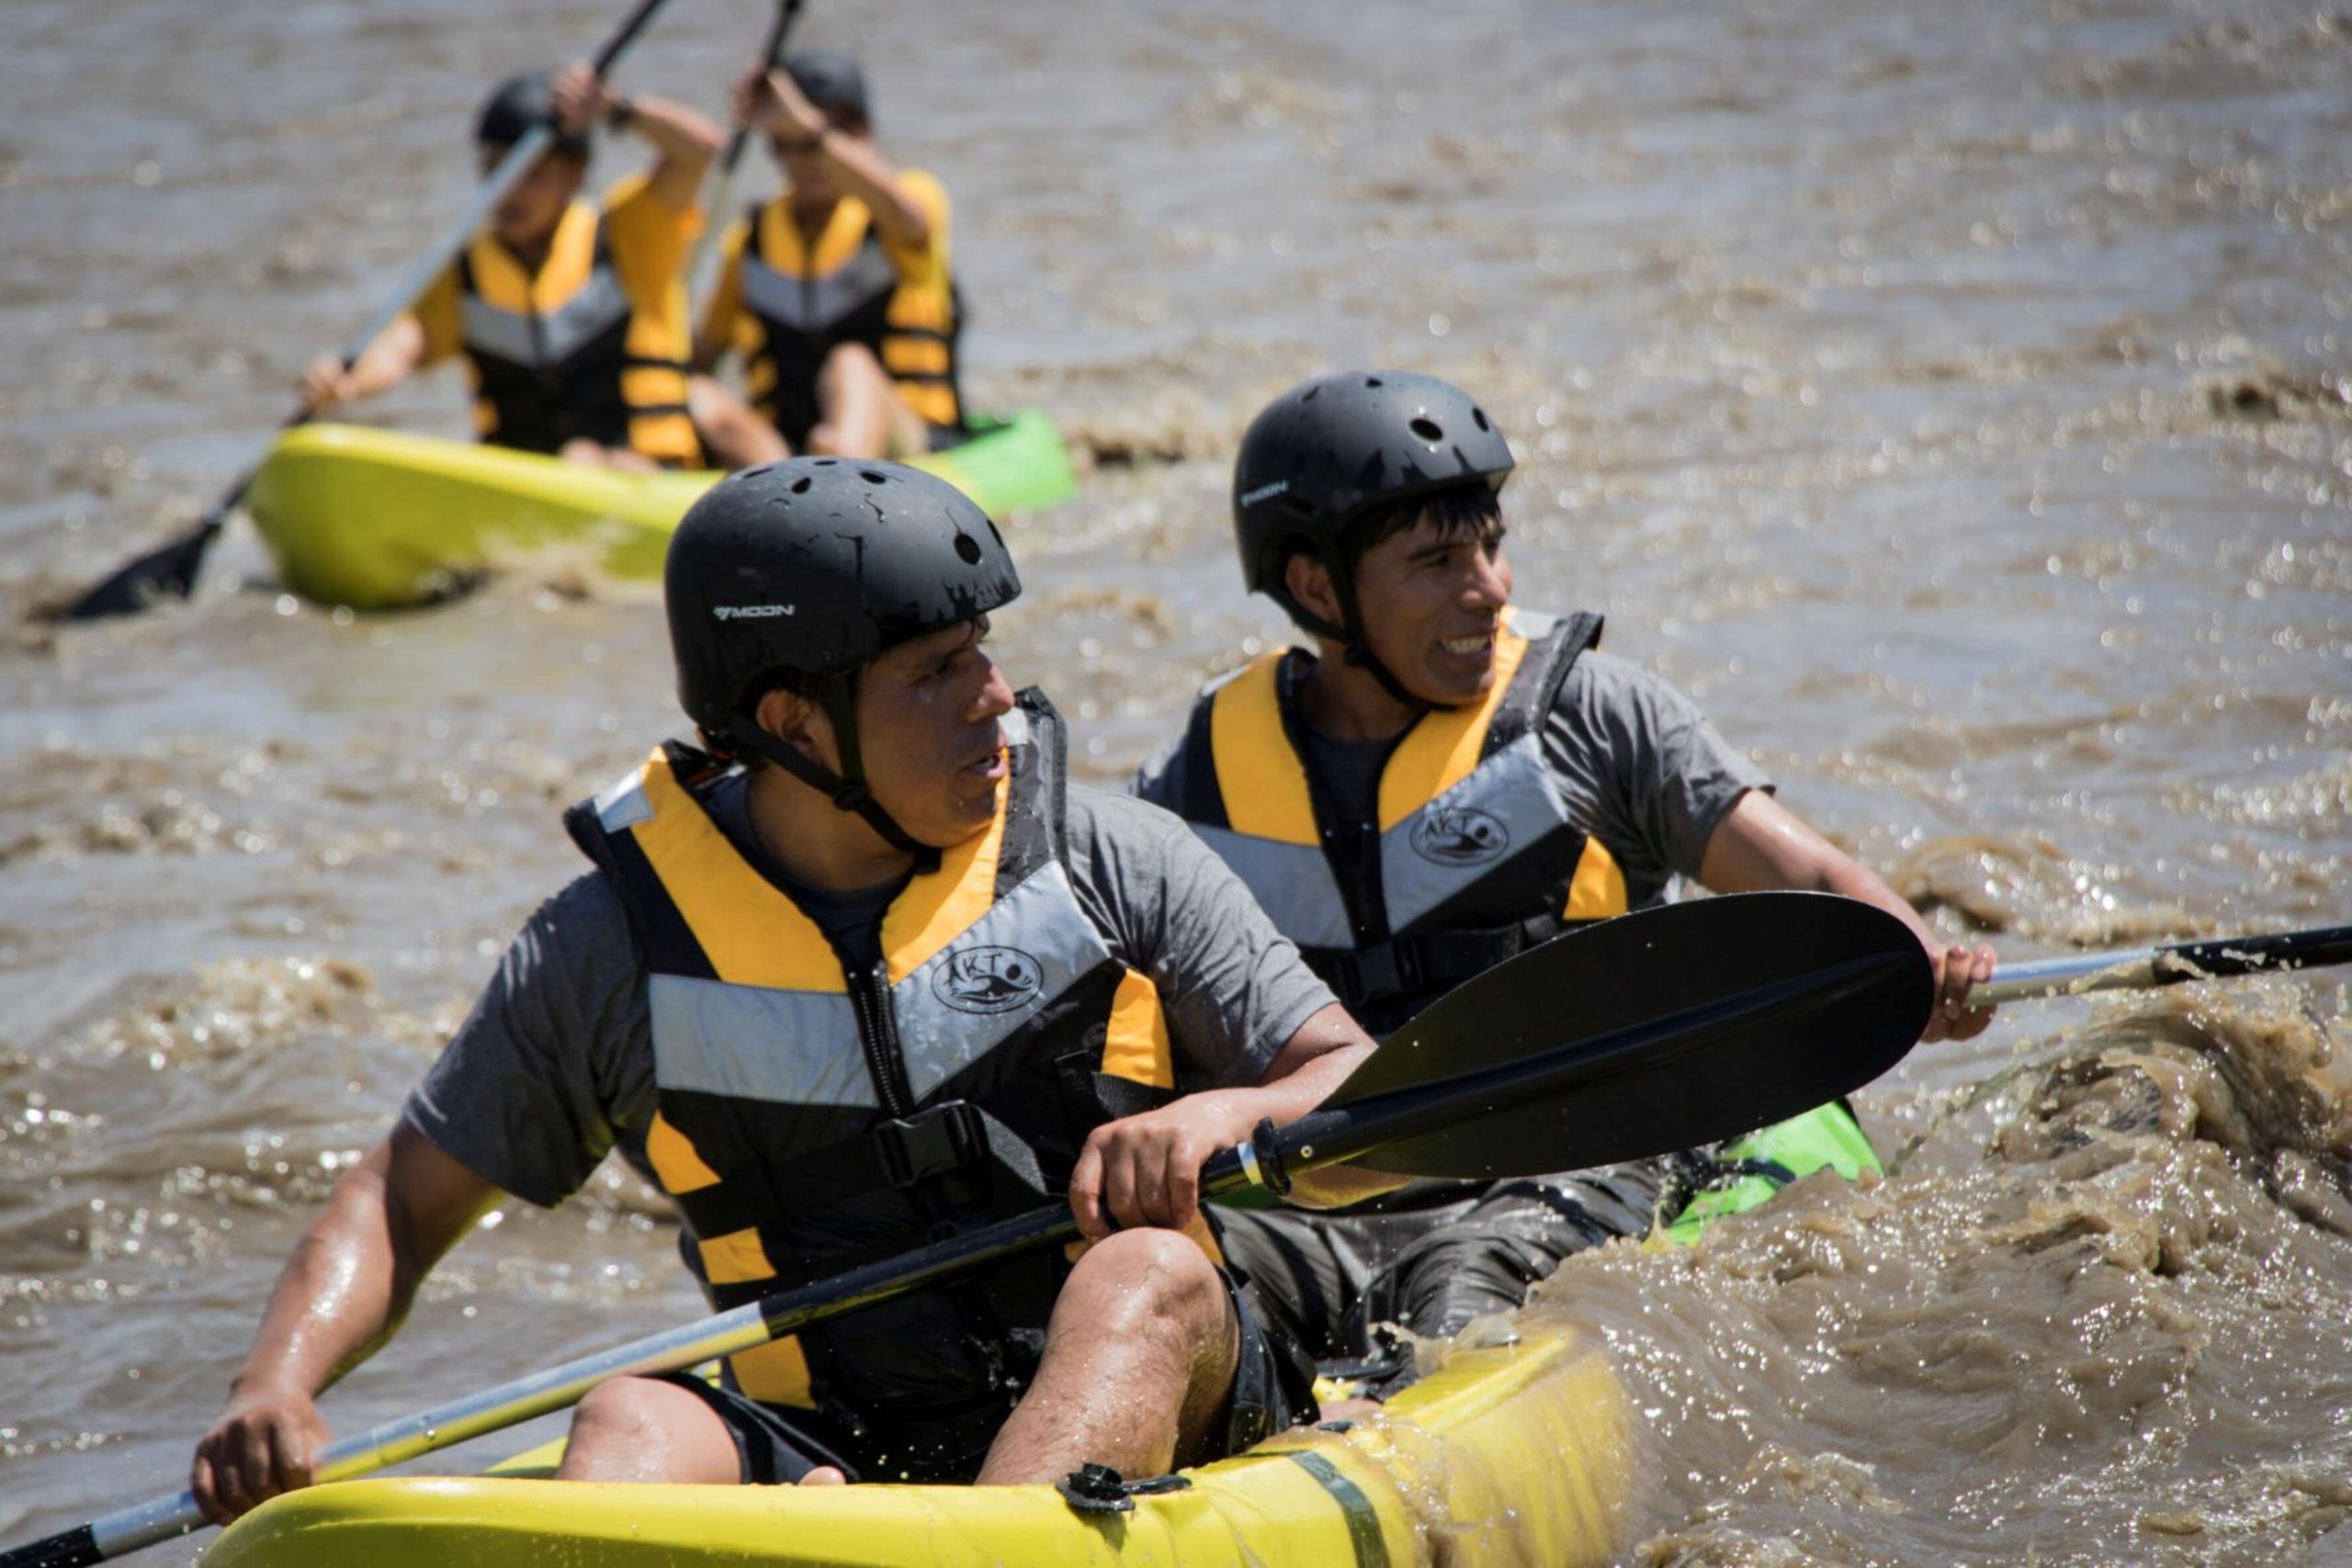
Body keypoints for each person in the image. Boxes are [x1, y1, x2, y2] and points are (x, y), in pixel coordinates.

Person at [188, 457, 1400, 1521]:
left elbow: (1352, 1075)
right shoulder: (608, 948)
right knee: (631, 1419)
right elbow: (400, 1201)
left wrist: (1214, 1114)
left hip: (1174, 1388)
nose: (994, 696)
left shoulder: (1111, 857)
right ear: (795, 722)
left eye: (983, 649)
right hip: (842, 1443)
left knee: (1143, 1275)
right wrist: (275, 1383)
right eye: (938, 668)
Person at [1134, 369, 1996, 1371]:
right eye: (1437, 561)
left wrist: (1909, 961)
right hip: (1324, 1183)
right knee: (1150, 1280)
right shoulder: (1192, 781)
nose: (1489, 589)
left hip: (1573, 1153)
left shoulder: (1595, 718)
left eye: (1491, 546)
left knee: (1461, 1285)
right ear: (1317, 588)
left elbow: (1805, 877)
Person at [298, 63, 718, 471]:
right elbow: (400, 346)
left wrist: (615, 109)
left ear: (574, 175)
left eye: (531, 173)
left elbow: (700, 151)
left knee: (584, 455)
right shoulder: (465, 273)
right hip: (522, 479)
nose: (511, 192)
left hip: (645, 470)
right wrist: (346, 379)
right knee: (574, 458)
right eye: (496, 170)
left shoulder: (630, 232)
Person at [690, 50, 965, 467]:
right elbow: (702, 359)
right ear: (774, 147)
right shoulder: (749, 241)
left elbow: (910, 220)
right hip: (784, 452)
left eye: (838, 128)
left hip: (909, 443)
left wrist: (808, 128)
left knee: (849, 363)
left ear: (865, 133)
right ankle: (774, 484)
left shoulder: (907, 200)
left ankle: (840, 479)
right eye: (793, 141)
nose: (814, 156)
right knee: (693, 390)